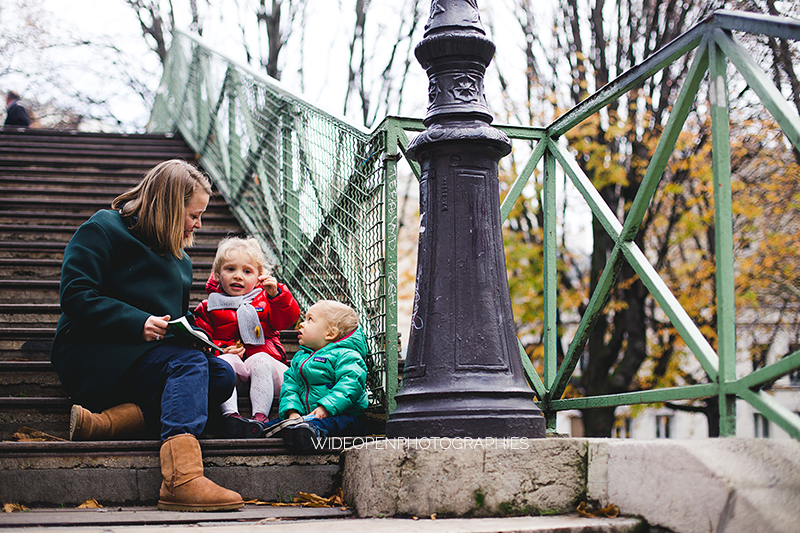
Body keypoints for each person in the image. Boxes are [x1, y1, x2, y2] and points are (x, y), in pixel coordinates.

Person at [50, 159, 243, 512]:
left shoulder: (179, 258)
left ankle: (108, 423)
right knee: (188, 367)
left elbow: (175, 317)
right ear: (169, 206)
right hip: (95, 354)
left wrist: (196, 336)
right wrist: (138, 321)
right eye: (193, 215)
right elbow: (76, 295)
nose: (198, 224)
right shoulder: (104, 228)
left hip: (148, 359)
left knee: (220, 375)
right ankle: (181, 479)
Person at [193, 236, 300, 438]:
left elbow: (287, 319)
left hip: (268, 372)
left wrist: (278, 294)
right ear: (217, 275)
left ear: (259, 276)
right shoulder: (209, 307)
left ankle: (260, 417)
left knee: (259, 360)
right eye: (230, 269)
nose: (238, 276)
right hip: (237, 377)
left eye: (247, 271)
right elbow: (202, 339)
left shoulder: (267, 302)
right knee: (224, 362)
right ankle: (231, 417)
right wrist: (220, 350)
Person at [271, 300, 369, 450]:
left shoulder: (347, 355)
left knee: (330, 423)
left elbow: (350, 384)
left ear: (330, 333)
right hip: (305, 416)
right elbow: (290, 386)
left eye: (310, 319)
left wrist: (326, 407)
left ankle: (308, 432)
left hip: (345, 416)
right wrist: (292, 411)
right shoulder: (300, 358)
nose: (301, 324)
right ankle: (259, 429)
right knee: (280, 422)